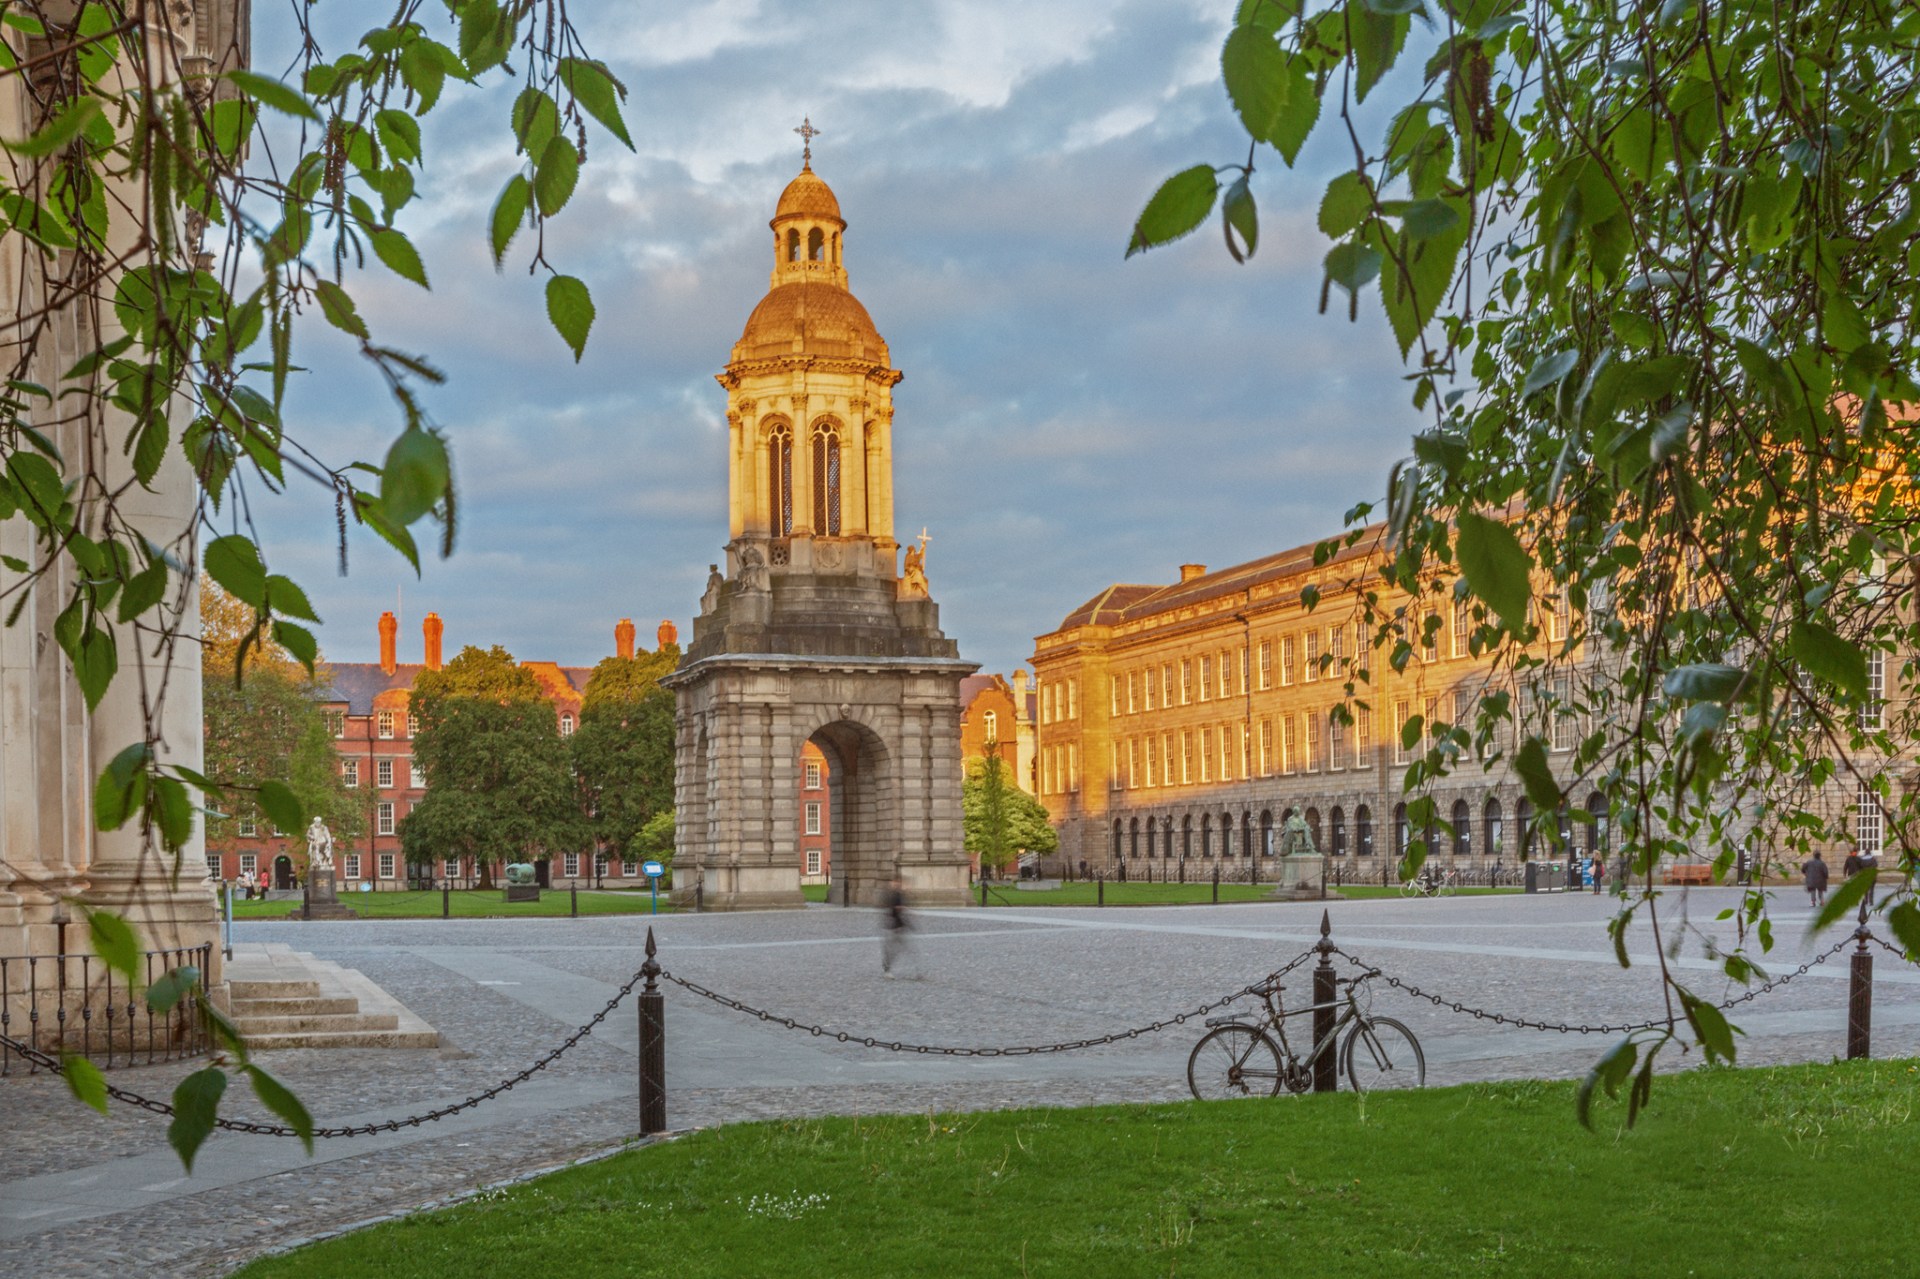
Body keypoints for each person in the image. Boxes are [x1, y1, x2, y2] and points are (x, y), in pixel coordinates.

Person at [880, 878, 910, 976]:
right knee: (892, 949)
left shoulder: (899, 894)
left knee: (902, 948)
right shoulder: (890, 895)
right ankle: (887, 968)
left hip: (899, 925)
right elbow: (891, 908)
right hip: (892, 926)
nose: (898, 885)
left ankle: (917, 970)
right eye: (896, 883)